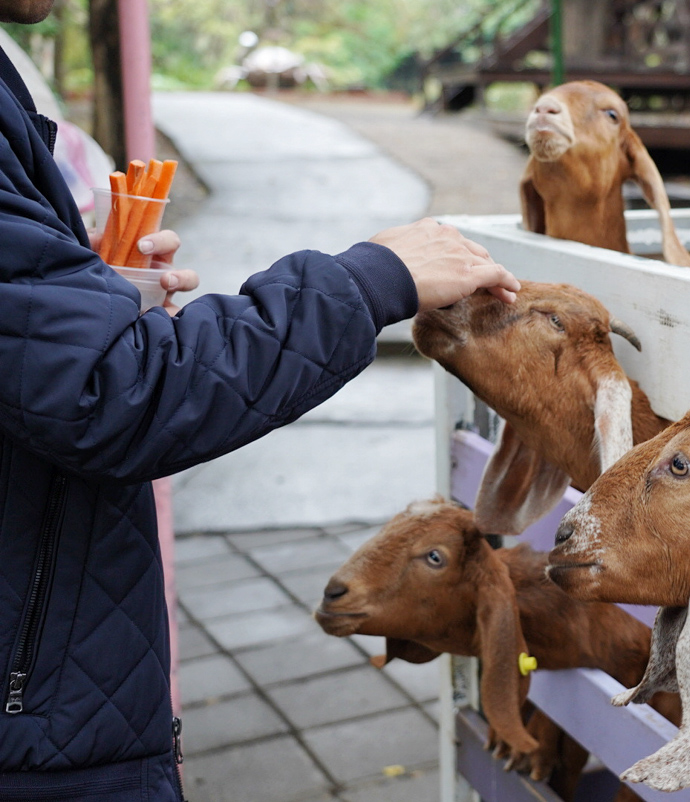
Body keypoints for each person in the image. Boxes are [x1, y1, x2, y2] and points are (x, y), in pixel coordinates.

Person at [0, 2, 520, 799]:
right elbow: (110, 394)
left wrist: (95, 302)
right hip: (38, 734)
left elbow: (50, 360)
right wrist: (370, 278)